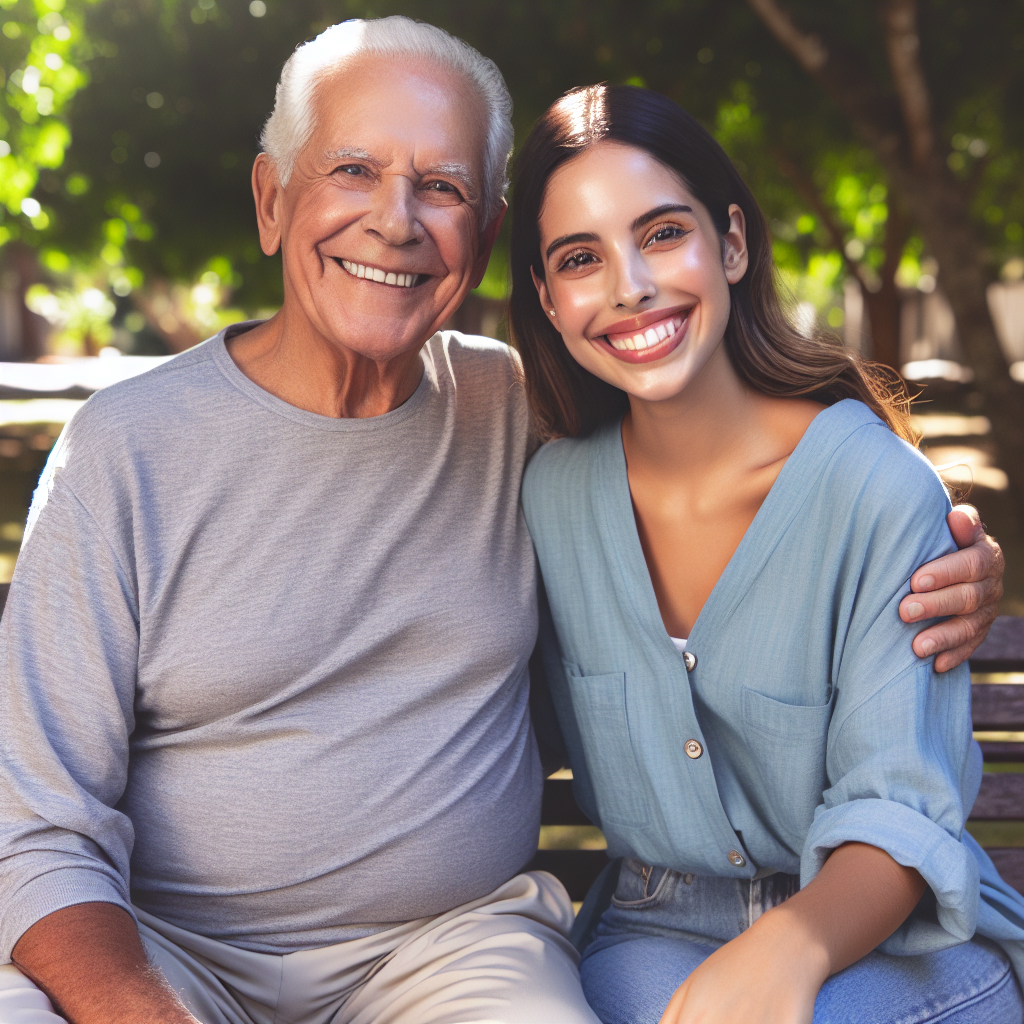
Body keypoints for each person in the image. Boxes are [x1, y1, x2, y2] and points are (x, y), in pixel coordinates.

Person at [0, 19, 1004, 1024]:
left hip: (447, 954)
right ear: (272, 202)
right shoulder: (123, 453)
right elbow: (31, 823)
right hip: (167, 953)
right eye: (352, 169)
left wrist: (946, 547)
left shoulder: (516, 421)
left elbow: (763, 467)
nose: (395, 222)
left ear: (481, 245)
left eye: (440, 187)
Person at [511, 83, 1024, 1024]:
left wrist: (787, 950)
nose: (630, 284)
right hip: (651, 929)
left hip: (893, 940)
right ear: (546, 299)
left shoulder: (874, 489)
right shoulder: (550, 499)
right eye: (581, 258)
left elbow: (898, 810)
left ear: (732, 244)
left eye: (663, 233)